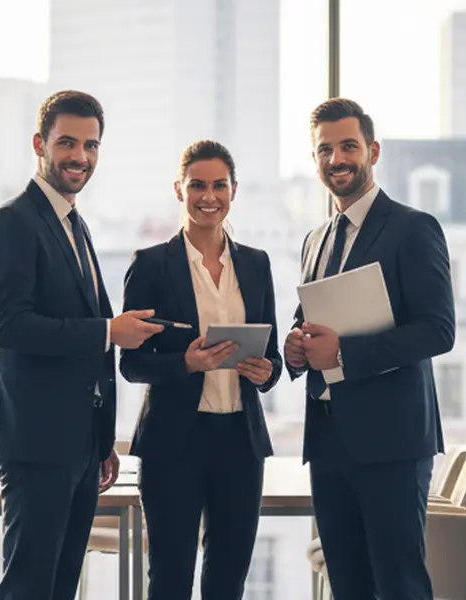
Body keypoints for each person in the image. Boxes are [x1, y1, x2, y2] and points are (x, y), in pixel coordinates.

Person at [0, 89, 164, 600]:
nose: (80, 157)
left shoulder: (74, 225)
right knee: (29, 586)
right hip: (36, 444)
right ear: (39, 143)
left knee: (61, 585)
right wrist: (109, 330)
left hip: (78, 445)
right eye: (67, 143)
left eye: (91, 145)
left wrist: (100, 440)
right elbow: (10, 328)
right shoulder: (13, 223)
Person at [284, 98, 456, 598]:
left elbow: (438, 330)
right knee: (348, 584)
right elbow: (313, 317)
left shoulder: (412, 228)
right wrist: (298, 348)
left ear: (372, 151)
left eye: (348, 147)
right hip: (328, 440)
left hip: (393, 444)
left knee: (399, 584)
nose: (336, 159)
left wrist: (344, 354)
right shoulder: (315, 239)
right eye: (324, 150)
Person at [120, 140, 282, 599]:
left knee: (228, 578)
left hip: (240, 440)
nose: (208, 196)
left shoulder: (256, 263)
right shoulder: (151, 265)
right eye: (197, 185)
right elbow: (130, 363)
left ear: (234, 191)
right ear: (179, 189)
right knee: (170, 577)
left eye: (218, 185)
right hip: (175, 442)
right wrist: (185, 363)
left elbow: (271, 367)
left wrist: (262, 371)